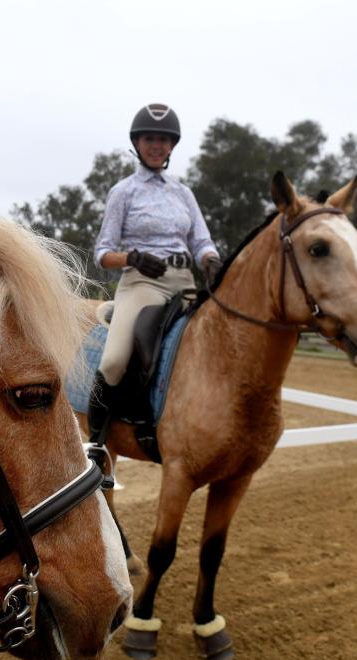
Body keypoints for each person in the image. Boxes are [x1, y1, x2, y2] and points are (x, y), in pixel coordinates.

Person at [87, 102, 222, 444]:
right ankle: (95, 445)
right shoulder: (123, 192)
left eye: (163, 140)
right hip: (142, 283)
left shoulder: (183, 193)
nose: (156, 145)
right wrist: (132, 257)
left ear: (172, 146)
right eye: (149, 138)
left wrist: (211, 261)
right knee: (115, 361)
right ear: (137, 143)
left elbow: (201, 240)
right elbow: (102, 253)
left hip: (184, 283)